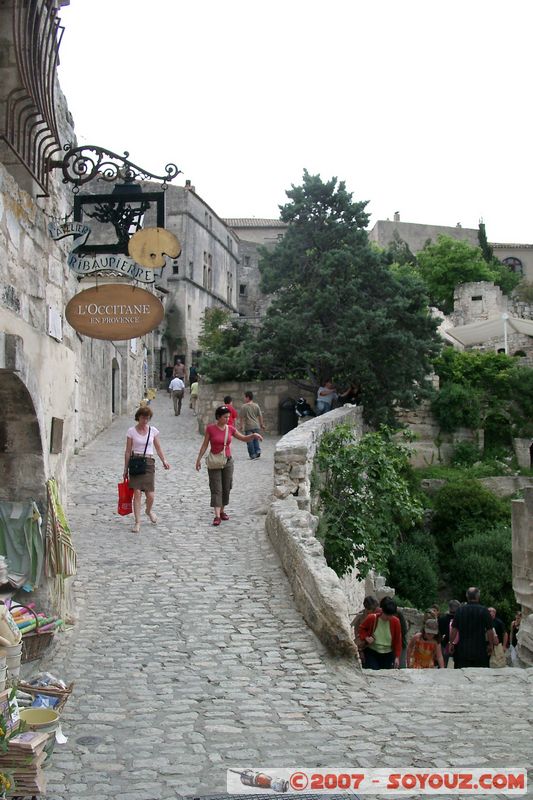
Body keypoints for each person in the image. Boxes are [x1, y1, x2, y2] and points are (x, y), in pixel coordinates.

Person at [195, 405, 263, 526]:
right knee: (216, 488)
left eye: (228, 417)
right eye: (225, 417)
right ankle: (216, 516)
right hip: (214, 461)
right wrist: (199, 459)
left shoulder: (230, 429)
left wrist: (253, 436)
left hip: (227, 461)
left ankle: (222, 511)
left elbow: (243, 438)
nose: (227, 419)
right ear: (218, 417)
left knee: (227, 487)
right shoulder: (210, 429)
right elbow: (205, 445)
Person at [124, 406, 170, 534]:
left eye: (147, 418)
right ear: (138, 417)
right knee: (137, 493)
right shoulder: (131, 431)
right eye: (143, 417)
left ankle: (148, 511)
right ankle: (137, 522)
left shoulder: (153, 431)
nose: (145, 420)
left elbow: (158, 448)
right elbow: (128, 451)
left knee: (150, 495)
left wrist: (164, 460)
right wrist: (125, 468)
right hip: (136, 463)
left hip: (149, 463)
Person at [449, 587, 494, 669]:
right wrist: (491, 645)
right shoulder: (484, 611)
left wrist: (451, 643)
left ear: (467, 596)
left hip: (463, 650)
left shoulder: (460, 610)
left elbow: (454, 629)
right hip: (480, 650)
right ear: (478, 597)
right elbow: (490, 630)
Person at [358, 596, 402, 670]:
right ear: (382, 611)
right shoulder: (372, 618)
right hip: (372, 652)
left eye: (391, 615)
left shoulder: (396, 622)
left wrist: (397, 657)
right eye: (387, 615)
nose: (388, 617)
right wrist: (366, 637)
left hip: (388, 654)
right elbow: (362, 628)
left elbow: (398, 640)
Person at [350, 596, 378, 663]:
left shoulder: (378, 614)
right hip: (363, 644)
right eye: (370, 610)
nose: (373, 612)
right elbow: (353, 627)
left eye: (374, 609)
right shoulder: (361, 615)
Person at [239, 391, 265, 460]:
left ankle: (252, 454)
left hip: (248, 426)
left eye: (245, 397)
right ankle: (257, 451)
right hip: (256, 426)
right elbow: (260, 415)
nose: (244, 398)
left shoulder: (244, 407)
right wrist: (262, 424)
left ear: (247, 397)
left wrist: (241, 426)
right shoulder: (256, 405)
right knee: (256, 439)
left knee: (249, 440)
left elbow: (241, 417)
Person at [438, 599, 461, 666]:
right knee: (458, 666)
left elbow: (439, 632)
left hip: (444, 644)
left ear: (449, 608)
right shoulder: (461, 620)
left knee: (442, 665)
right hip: (458, 645)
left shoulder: (441, 619)